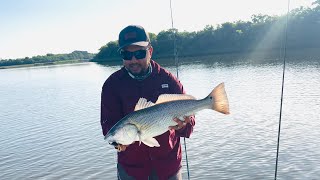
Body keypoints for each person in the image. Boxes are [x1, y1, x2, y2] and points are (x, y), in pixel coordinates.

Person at [100, 25, 195, 180]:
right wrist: (117, 144)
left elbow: (189, 128)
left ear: (150, 51)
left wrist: (184, 125)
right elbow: (109, 127)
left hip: (168, 167)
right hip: (132, 170)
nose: (133, 60)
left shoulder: (168, 80)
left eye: (139, 53)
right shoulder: (112, 85)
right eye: (126, 54)